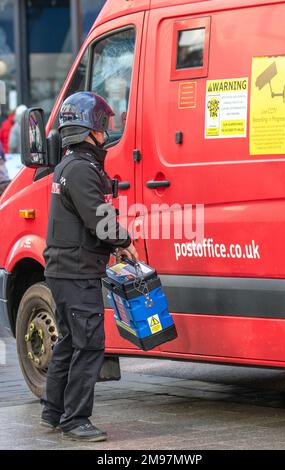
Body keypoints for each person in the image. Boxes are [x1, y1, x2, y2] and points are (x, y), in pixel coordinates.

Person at [41, 91, 138, 442]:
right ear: (90, 129)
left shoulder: (67, 165)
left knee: (69, 341)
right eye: (103, 126)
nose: (107, 133)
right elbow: (99, 219)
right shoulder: (82, 169)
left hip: (63, 268)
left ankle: (53, 411)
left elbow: (86, 222)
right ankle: (75, 420)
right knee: (90, 345)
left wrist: (114, 247)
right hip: (76, 272)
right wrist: (124, 242)